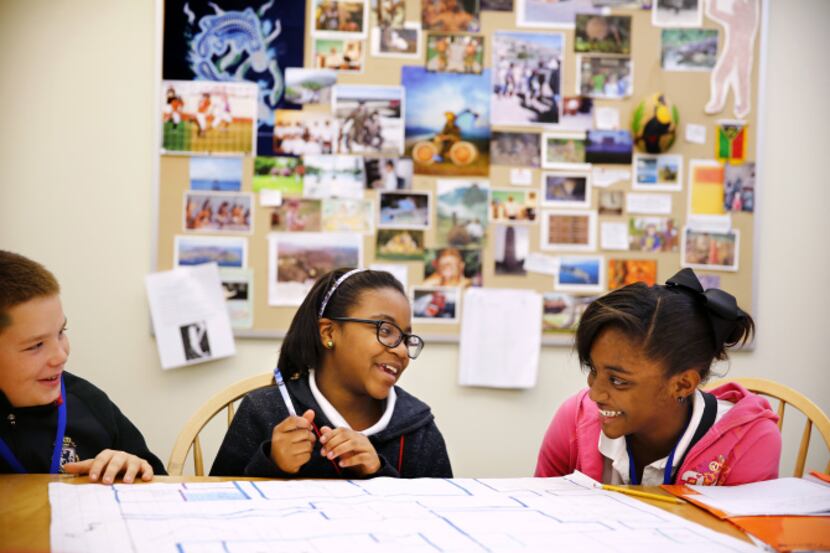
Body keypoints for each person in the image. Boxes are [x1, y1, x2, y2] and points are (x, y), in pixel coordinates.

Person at [535, 268, 780, 486]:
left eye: (619, 380)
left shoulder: (749, 442)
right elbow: (538, 514)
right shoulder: (574, 419)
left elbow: (737, 537)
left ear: (682, 384)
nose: (594, 394)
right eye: (593, 370)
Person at [210, 268, 452, 478]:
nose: (400, 350)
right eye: (385, 330)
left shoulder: (418, 428)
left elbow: (440, 516)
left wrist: (378, 473)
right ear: (328, 333)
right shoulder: (263, 411)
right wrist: (271, 464)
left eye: (406, 337)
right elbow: (217, 508)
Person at [0, 251, 165, 481]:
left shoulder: (89, 401)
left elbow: (157, 480)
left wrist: (133, 468)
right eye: (36, 345)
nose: (60, 356)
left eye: (61, 333)